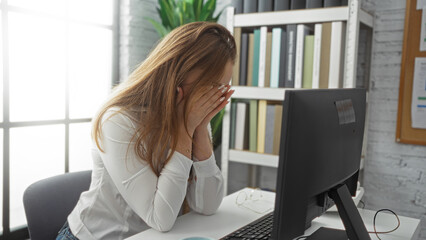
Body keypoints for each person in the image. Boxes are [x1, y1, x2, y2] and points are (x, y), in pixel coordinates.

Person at [56, 21, 236, 240]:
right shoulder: (118, 120)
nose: (214, 98)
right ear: (179, 71)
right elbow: (160, 218)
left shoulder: (191, 113)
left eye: (222, 89)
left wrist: (199, 127)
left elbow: (207, 205)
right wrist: (185, 130)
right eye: (211, 87)